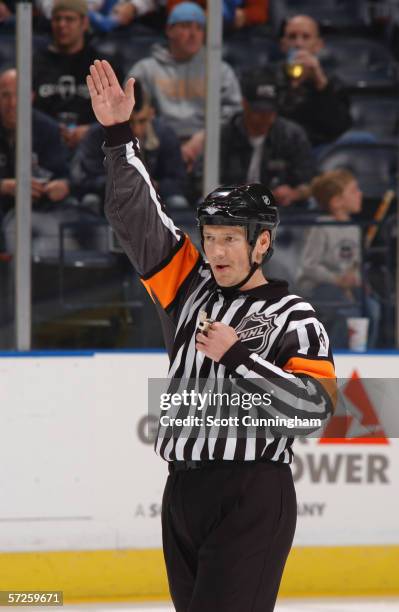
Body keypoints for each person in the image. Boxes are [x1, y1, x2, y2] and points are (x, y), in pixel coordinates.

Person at [87, 59, 336, 612]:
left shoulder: (297, 318)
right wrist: (116, 136)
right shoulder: (187, 285)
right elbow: (136, 218)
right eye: (211, 237)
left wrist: (241, 356)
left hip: (252, 492)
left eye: (230, 239)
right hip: (183, 491)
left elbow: (316, 413)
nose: (217, 251)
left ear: (262, 244)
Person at [126, 1, 242, 170]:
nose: (193, 34)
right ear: (169, 30)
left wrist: (205, 137)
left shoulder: (219, 70)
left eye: (199, 28)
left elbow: (235, 113)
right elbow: (131, 114)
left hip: (208, 147)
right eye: (186, 26)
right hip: (156, 149)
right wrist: (169, 146)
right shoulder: (145, 70)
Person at [0, 68, 85, 257]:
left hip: (42, 209)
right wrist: (5, 186)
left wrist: (63, 185)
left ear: (30, 97)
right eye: (5, 96)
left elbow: (64, 175)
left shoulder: (47, 129)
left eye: (18, 95)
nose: (12, 103)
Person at [70, 79, 188, 209]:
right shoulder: (96, 135)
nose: (136, 130)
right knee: (89, 201)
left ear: (151, 113)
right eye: (129, 122)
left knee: (177, 202)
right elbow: (83, 180)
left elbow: (179, 180)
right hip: (108, 199)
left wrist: (153, 185)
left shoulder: (165, 135)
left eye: (142, 121)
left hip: (153, 200)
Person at [296, 169, 381, 348]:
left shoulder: (354, 229)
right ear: (336, 202)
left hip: (343, 289)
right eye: (354, 190)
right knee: (347, 311)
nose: (360, 194)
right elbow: (309, 266)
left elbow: (355, 266)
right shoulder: (322, 227)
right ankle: (333, 355)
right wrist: (336, 279)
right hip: (317, 288)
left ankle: (362, 355)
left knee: (372, 308)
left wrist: (357, 281)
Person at [33, 0, 121, 151]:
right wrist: (51, 129)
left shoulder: (102, 65)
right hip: (44, 145)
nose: (62, 25)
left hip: (95, 147)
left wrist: (92, 130)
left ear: (84, 23)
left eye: (69, 19)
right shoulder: (35, 63)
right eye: (57, 19)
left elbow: (119, 110)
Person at [220, 69, 315, 210]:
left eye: (270, 112)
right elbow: (202, 180)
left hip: (280, 209)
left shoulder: (292, 136)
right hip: (233, 208)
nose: (265, 118)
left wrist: (293, 193)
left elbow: (309, 182)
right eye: (258, 112)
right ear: (245, 105)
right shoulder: (226, 134)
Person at [277, 15, 352, 148]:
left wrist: (321, 83)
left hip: (319, 149)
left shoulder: (332, 83)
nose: (298, 44)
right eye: (292, 37)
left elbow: (338, 128)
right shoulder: (269, 77)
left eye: (306, 37)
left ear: (318, 45)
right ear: (283, 44)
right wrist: (293, 85)